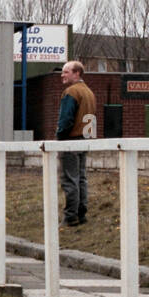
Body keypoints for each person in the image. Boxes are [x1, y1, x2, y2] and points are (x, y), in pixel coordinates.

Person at [55, 59, 97, 226]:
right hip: (85, 140)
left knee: (69, 178)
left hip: (70, 140)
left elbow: (65, 119)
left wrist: (59, 137)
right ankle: (82, 213)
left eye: (66, 71)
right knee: (81, 178)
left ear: (76, 73)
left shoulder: (71, 92)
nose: (62, 75)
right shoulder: (89, 93)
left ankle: (70, 216)